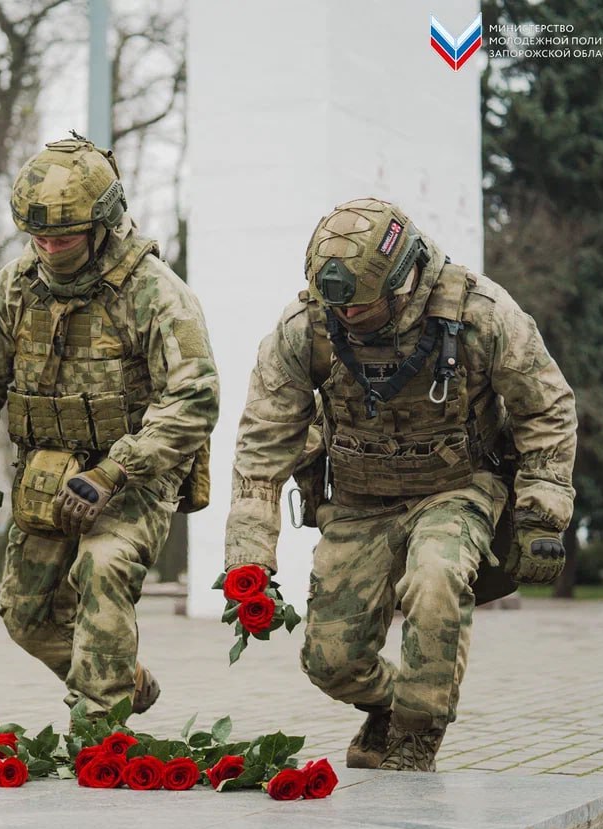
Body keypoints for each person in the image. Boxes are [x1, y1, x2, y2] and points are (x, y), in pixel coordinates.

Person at [224, 197, 576, 770]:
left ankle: (416, 738)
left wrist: (542, 511)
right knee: (331, 661)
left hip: (456, 487)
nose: (344, 319)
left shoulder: (481, 313)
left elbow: (547, 408)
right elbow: (263, 446)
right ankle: (394, 704)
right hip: (358, 499)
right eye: (335, 307)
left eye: (359, 308)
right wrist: (249, 558)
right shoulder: (305, 328)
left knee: (435, 581)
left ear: (403, 279)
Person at [0, 135, 219, 717]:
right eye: (37, 236)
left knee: (102, 568)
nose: (47, 247)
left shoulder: (154, 291)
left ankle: (100, 731)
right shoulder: (15, 286)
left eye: (62, 237)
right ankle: (121, 676)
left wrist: (116, 470)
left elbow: (194, 396)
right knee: (25, 616)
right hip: (46, 473)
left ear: (102, 225)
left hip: (134, 475)